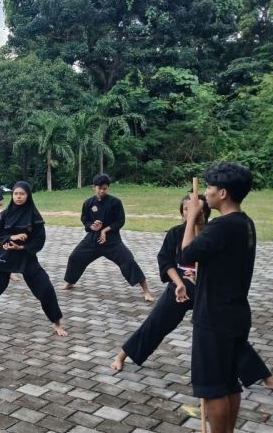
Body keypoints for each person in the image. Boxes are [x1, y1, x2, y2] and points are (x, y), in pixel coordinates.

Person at [110, 193, 272, 386]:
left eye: (198, 209)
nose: (193, 213)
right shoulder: (175, 233)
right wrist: (178, 283)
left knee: (226, 331)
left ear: (206, 211)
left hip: (207, 290)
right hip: (179, 288)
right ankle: (122, 355)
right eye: (187, 209)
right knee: (156, 322)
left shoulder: (213, 232)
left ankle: (265, 377)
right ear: (182, 213)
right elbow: (166, 261)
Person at [181, 162, 257, 433]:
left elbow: (187, 255)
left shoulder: (223, 226)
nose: (207, 193)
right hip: (235, 313)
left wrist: (190, 217)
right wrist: (202, 225)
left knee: (213, 388)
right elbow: (207, 256)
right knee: (228, 383)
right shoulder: (245, 223)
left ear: (223, 193)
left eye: (211, 188)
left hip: (213, 317)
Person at [0, 181, 67, 336]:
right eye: (16, 193)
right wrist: (11, 237)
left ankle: (56, 323)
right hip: (5, 257)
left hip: (27, 258)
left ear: (27, 195)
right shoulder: (5, 214)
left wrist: (22, 247)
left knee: (46, 289)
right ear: (12, 195)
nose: (18, 197)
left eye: (22, 194)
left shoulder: (34, 216)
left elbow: (40, 240)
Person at [61, 173, 154, 301]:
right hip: (92, 240)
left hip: (112, 241)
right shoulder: (88, 203)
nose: (102, 191)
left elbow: (120, 221)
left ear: (108, 188)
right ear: (94, 187)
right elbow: (84, 220)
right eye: (99, 188)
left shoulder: (115, 202)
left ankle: (146, 291)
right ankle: (70, 282)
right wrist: (92, 226)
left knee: (128, 261)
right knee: (75, 257)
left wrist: (105, 230)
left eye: (104, 188)